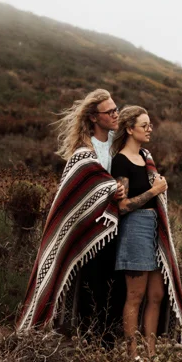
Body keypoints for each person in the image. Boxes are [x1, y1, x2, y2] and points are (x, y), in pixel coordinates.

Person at [15, 89, 126, 334]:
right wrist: (109, 188)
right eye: (110, 112)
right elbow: (81, 187)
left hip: (114, 227)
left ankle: (106, 339)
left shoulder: (118, 147)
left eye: (116, 109)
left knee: (113, 285)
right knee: (90, 284)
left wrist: (120, 187)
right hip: (87, 229)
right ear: (94, 118)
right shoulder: (83, 152)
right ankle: (83, 337)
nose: (116, 115)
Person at [110, 106, 182, 359]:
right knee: (135, 295)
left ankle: (151, 354)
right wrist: (155, 191)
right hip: (135, 228)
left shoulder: (146, 158)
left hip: (154, 229)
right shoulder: (121, 160)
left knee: (156, 294)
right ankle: (133, 356)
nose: (149, 129)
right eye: (144, 125)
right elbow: (123, 206)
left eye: (150, 124)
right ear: (130, 129)